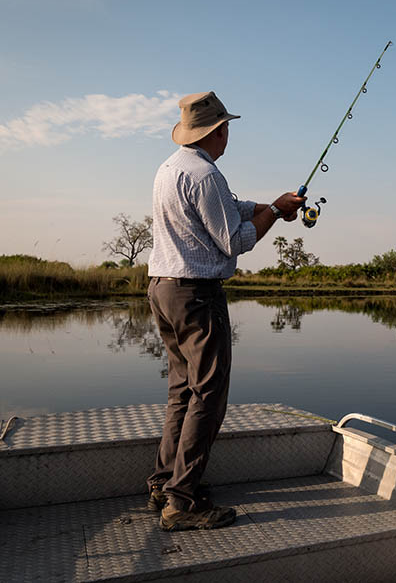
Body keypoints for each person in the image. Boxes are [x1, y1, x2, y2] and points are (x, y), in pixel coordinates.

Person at [146, 91, 305, 531]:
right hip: (197, 295)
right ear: (218, 131)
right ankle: (181, 503)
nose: (228, 134)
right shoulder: (205, 175)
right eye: (227, 127)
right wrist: (274, 212)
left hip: (162, 289)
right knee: (209, 395)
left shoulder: (169, 169)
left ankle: (163, 483)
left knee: (183, 389)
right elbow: (235, 240)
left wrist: (270, 205)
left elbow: (231, 209)